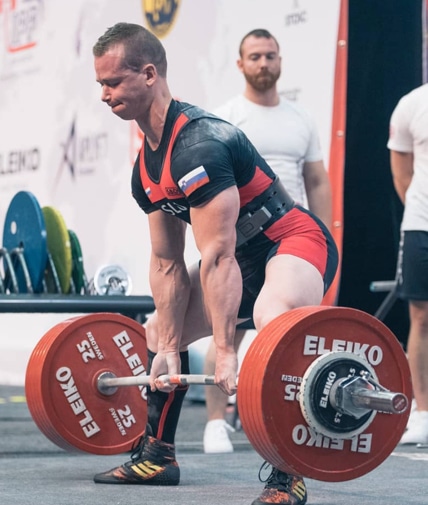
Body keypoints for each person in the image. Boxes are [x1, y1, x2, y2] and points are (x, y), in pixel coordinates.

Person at [92, 22, 338, 505]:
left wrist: (227, 352)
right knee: (156, 332)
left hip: (291, 241)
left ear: (148, 74)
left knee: (272, 319)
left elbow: (217, 254)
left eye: (112, 82)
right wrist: (166, 342)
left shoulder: (199, 144)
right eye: (99, 84)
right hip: (241, 260)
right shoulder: (146, 168)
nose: (104, 95)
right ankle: (158, 454)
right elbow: (166, 261)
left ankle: (288, 476)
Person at [203, 28, 332, 454]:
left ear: (280, 61)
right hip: (239, 238)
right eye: (255, 57)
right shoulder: (226, 118)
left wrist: (329, 235)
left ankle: (295, 415)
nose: (264, 64)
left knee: (283, 320)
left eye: (270, 56)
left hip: (292, 233)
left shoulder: (301, 118)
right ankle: (215, 423)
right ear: (240, 64)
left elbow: (316, 179)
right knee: (226, 332)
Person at [387, 83, 428, 445]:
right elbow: (402, 174)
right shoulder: (412, 103)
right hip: (421, 225)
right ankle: (423, 412)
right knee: (421, 317)